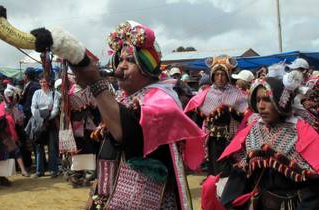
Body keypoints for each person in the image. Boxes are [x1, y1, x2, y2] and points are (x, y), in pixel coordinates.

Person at [50, 20, 206, 209]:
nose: (121, 66)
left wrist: (95, 82)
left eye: (130, 60)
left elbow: (127, 134)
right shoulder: (122, 97)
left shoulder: (161, 101)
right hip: (113, 195)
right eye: (120, 59)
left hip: (148, 200)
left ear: (147, 67)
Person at [217, 75, 319, 210]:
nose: (261, 106)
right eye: (258, 100)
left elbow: (314, 189)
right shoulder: (254, 129)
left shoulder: (301, 132)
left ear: (281, 101)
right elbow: (241, 173)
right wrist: (231, 202)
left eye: (267, 99)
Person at [184, 55, 248, 176]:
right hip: (213, 140)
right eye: (217, 74)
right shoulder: (206, 95)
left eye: (223, 74)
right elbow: (197, 119)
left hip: (231, 139)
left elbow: (245, 118)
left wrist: (232, 111)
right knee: (214, 170)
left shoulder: (237, 94)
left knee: (229, 170)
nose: (220, 78)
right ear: (212, 76)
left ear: (228, 76)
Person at [0, 85, 30, 187]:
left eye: (13, 97)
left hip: (3, 133)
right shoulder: (4, 108)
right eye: (11, 97)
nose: (13, 99)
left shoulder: (12, 108)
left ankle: (2, 176)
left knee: (4, 155)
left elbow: (19, 121)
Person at [30, 73, 60, 178]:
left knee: (52, 147)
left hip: (50, 122)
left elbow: (56, 108)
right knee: (39, 146)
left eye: (45, 82)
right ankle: (40, 170)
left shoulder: (55, 94)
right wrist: (39, 118)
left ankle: (53, 170)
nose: (43, 84)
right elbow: (33, 106)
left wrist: (48, 118)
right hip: (38, 122)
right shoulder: (36, 93)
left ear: (49, 82)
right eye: (41, 82)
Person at [19, 67, 41, 170]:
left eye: (24, 74)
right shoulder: (29, 85)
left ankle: (38, 164)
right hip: (30, 116)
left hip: (31, 116)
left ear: (27, 75)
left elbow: (30, 103)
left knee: (33, 140)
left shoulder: (34, 86)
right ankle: (37, 164)